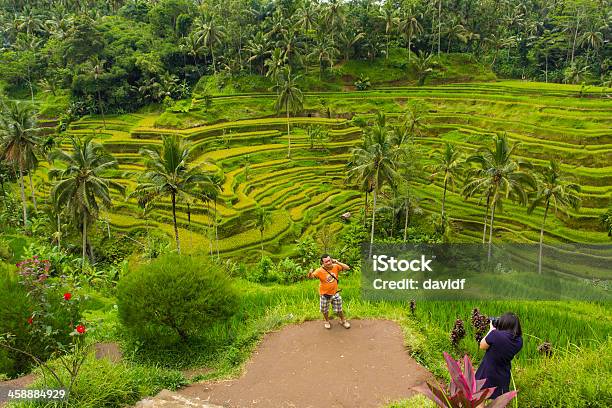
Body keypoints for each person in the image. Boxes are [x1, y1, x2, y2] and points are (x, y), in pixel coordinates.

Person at [475, 312, 523, 399]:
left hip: (487, 372)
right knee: (498, 401)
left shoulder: (495, 335)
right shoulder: (519, 341)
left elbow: (482, 346)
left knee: (480, 398)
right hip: (503, 375)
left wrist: (491, 330)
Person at [307, 254, 351, 329]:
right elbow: (311, 277)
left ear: (331, 259)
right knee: (325, 310)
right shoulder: (319, 270)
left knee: (339, 309)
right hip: (325, 294)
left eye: (329, 260)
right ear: (322, 263)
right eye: (326, 261)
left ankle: (343, 320)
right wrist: (310, 273)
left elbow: (347, 268)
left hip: (335, 293)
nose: (328, 262)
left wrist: (337, 262)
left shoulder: (336, 266)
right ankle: (327, 321)